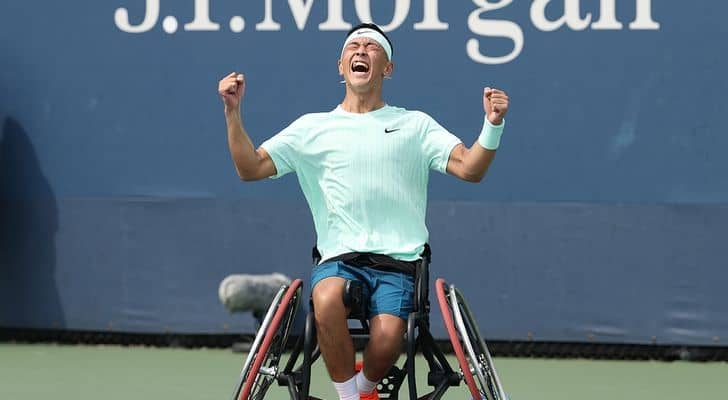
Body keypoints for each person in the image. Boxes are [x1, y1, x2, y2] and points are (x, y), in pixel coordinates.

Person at [218, 23, 509, 400]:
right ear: (341, 66)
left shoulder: (415, 125)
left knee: (388, 338)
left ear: (387, 67)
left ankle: (365, 389)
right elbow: (250, 167)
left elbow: (471, 168)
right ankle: (350, 397)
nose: (361, 51)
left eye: (372, 47)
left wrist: (492, 125)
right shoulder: (312, 128)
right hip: (338, 261)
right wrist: (233, 112)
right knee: (326, 300)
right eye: (353, 47)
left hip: (400, 264)